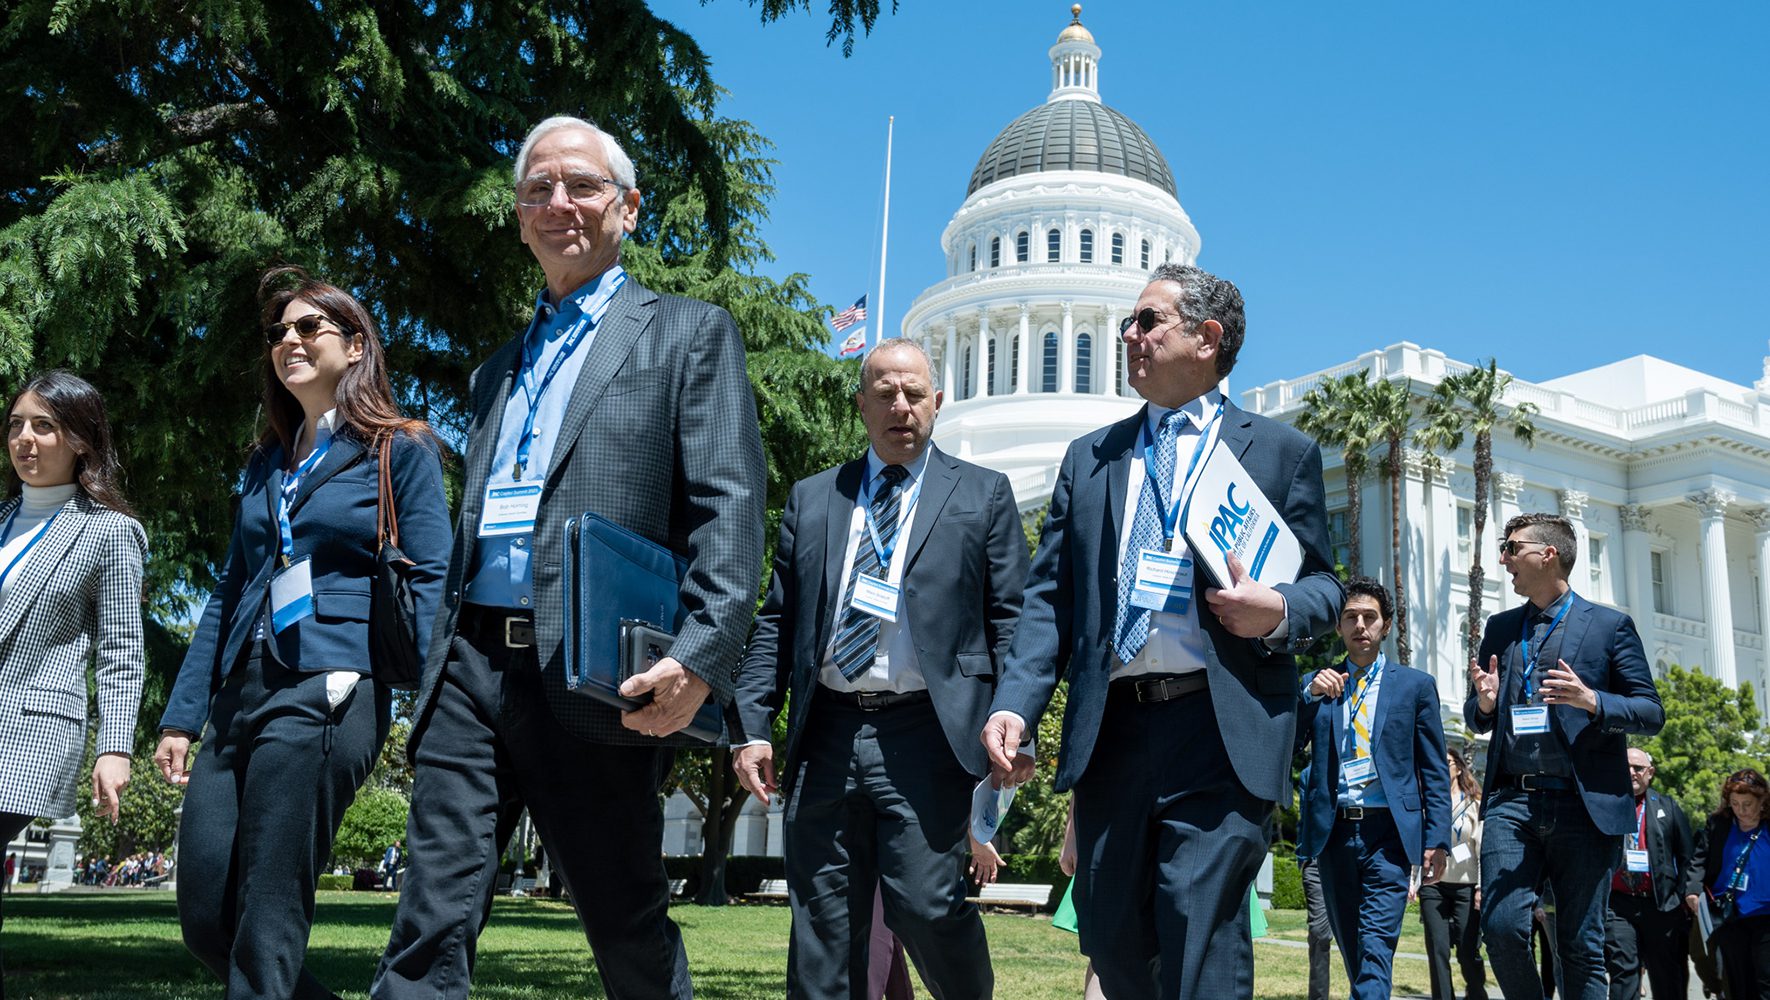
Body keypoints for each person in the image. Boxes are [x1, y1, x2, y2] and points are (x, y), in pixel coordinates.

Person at [373, 114, 765, 1000]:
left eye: (582, 186)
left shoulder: (689, 334)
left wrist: (700, 657)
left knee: (624, 922)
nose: (560, 203)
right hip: (471, 666)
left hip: (594, 671)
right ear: (518, 219)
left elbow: (729, 507)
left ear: (628, 208)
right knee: (429, 918)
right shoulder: (494, 373)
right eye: (539, 189)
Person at [981, 263, 1343, 999]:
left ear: (1207, 338)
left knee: (1198, 929)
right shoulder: (1092, 457)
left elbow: (1325, 589)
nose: (1129, 335)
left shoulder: (1278, 453)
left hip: (1219, 729)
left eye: (1148, 321)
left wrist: (1274, 610)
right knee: (1112, 938)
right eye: (1129, 323)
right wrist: (1015, 701)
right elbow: (1048, 599)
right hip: (1113, 731)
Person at [152, 268, 450, 998]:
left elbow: (434, 578)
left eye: (308, 327)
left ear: (354, 347)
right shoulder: (265, 465)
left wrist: (434, 713)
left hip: (331, 684)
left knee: (268, 913)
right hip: (239, 693)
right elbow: (228, 590)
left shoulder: (399, 450)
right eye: (278, 331)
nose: (288, 339)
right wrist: (184, 714)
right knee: (204, 919)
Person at [732, 337, 1026, 999]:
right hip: (827, 733)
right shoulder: (814, 500)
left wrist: (1019, 722)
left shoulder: (983, 496)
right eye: (886, 393)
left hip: (926, 732)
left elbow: (1014, 621)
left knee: (924, 905)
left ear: (938, 403)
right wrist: (752, 726)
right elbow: (777, 621)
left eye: (915, 393)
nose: (902, 406)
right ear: (862, 405)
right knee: (822, 928)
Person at [1465, 512, 1663, 1000]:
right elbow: (1478, 715)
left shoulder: (1610, 626)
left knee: (1579, 946)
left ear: (1547, 554)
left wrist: (1593, 701)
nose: (1504, 558)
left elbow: (1650, 712)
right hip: (1513, 801)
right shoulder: (1501, 627)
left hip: (1583, 803)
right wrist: (1485, 703)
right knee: (1502, 928)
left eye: (1512, 547)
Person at [0, 371, 146, 991]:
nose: (24, 440)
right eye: (15, 425)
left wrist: (114, 746)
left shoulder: (110, 532)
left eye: (44, 425)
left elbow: (121, 649)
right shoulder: (4, 518)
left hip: (29, 732)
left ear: (81, 439)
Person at [1297, 576, 1451, 1000]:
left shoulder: (1415, 686)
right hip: (1334, 835)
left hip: (1389, 836)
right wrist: (1307, 695)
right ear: (1339, 626)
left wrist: (1437, 839)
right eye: (1350, 618)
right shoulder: (1321, 684)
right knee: (1353, 949)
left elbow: (1434, 768)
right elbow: (1288, 746)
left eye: (1370, 617)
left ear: (1385, 626)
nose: (1360, 625)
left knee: (1375, 950)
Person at [1604, 747, 1693, 1000]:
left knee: (1667, 977)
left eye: (1638, 768)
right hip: (1618, 906)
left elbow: (1688, 857)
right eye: (1626, 767)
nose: (1631, 772)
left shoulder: (1668, 806)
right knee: (1623, 972)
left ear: (1650, 773)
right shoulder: (1606, 806)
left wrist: (1680, 898)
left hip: (1661, 906)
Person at [1686, 768, 1770, 1000]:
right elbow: (1699, 859)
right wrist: (1693, 890)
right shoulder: (1719, 824)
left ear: (1762, 800)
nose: (1741, 810)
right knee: (1736, 981)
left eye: (1748, 804)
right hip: (1728, 913)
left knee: (1765, 981)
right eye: (1735, 804)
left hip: (1766, 915)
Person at [1418, 746, 1488, 1000]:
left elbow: (1480, 847)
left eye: (1446, 762)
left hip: (1466, 886)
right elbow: (1419, 843)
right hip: (1433, 885)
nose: (1440, 766)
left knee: (1467, 951)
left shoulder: (1474, 804)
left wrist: (1481, 886)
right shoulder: (1426, 803)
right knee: (1437, 949)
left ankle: (1477, 992)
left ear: (1458, 768)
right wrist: (1413, 879)